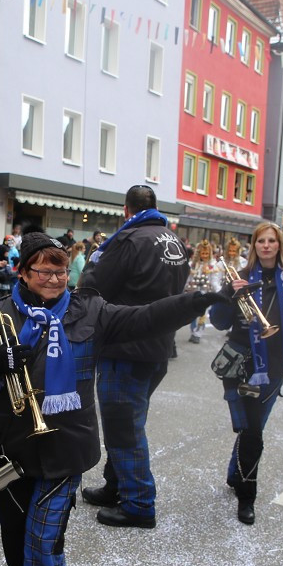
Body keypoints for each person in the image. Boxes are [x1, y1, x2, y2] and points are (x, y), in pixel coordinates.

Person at [0, 233, 226, 566]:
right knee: (14, 533)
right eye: (44, 270)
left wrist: (199, 300)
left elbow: (146, 318)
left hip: (67, 444)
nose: (56, 278)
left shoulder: (89, 310)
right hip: (12, 445)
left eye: (61, 269)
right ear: (23, 272)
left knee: (44, 537)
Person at [78, 185, 188, 528]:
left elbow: (92, 288)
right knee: (124, 421)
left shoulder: (127, 240)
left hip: (126, 345)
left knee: (124, 427)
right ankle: (118, 485)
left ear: (127, 210)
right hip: (157, 345)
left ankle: (139, 503)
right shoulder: (173, 241)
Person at [210, 222, 283, 525]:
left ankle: (246, 494)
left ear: (279, 245)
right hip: (240, 364)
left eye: (272, 240)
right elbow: (219, 322)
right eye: (261, 240)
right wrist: (230, 296)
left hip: (273, 366)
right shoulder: (242, 278)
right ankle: (241, 481)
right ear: (254, 245)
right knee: (248, 428)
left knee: (253, 430)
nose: (266, 246)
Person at [186, 240, 220, 344]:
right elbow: (188, 278)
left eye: (206, 253)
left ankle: (198, 334)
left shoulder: (213, 265)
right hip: (193, 292)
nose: (204, 255)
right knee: (192, 313)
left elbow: (214, 279)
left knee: (203, 315)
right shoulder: (192, 264)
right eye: (202, 253)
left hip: (206, 293)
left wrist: (219, 291)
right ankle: (193, 332)